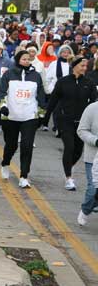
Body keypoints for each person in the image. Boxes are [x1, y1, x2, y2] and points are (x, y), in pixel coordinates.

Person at [0, 50, 46, 188]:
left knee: (27, 146)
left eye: (28, 59)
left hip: (29, 116)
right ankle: (6, 163)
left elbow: (41, 95)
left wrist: (42, 113)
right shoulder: (9, 74)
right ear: (18, 60)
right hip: (10, 116)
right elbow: (0, 92)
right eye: (24, 59)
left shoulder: (36, 76)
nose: (27, 61)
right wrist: (3, 106)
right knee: (11, 145)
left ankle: (24, 176)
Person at [46, 55, 97, 191]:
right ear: (74, 66)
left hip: (82, 123)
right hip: (64, 120)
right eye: (82, 66)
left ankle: (68, 166)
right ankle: (69, 178)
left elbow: (94, 102)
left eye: (86, 66)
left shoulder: (89, 83)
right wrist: (44, 119)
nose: (85, 68)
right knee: (69, 147)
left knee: (78, 151)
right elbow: (53, 100)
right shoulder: (63, 82)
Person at [77, 101, 98, 226]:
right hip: (93, 157)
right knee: (93, 189)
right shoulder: (92, 108)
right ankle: (85, 210)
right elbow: (82, 130)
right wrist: (95, 141)